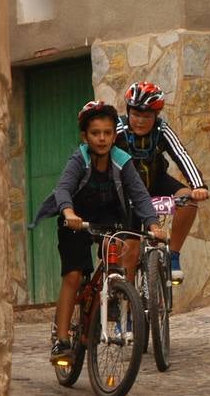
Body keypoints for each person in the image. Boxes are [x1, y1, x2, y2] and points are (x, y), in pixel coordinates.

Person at [29, 101, 165, 360]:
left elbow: (140, 195)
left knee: (122, 258)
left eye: (107, 133)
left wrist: (153, 225)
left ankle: (110, 300)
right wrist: (68, 213)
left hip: (109, 219)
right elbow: (63, 189)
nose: (102, 139)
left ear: (115, 135)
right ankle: (61, 340)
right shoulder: (79, 160)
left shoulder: (122, 161)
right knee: (74, 274)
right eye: (95, 133)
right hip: (76, 220)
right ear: (85, 136)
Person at [116, 81, 210, 282]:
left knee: (188, 199)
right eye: (136, 114)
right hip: (128, 192)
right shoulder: (118, 129)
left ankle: (173, 255)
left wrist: (198, 186)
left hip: (157, 181)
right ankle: (132, 308)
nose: (140, 121)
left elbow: (181, 155)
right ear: (128, 112)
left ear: (156, 116)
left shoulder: (162, 130)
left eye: (147, 116)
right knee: (129, 256)